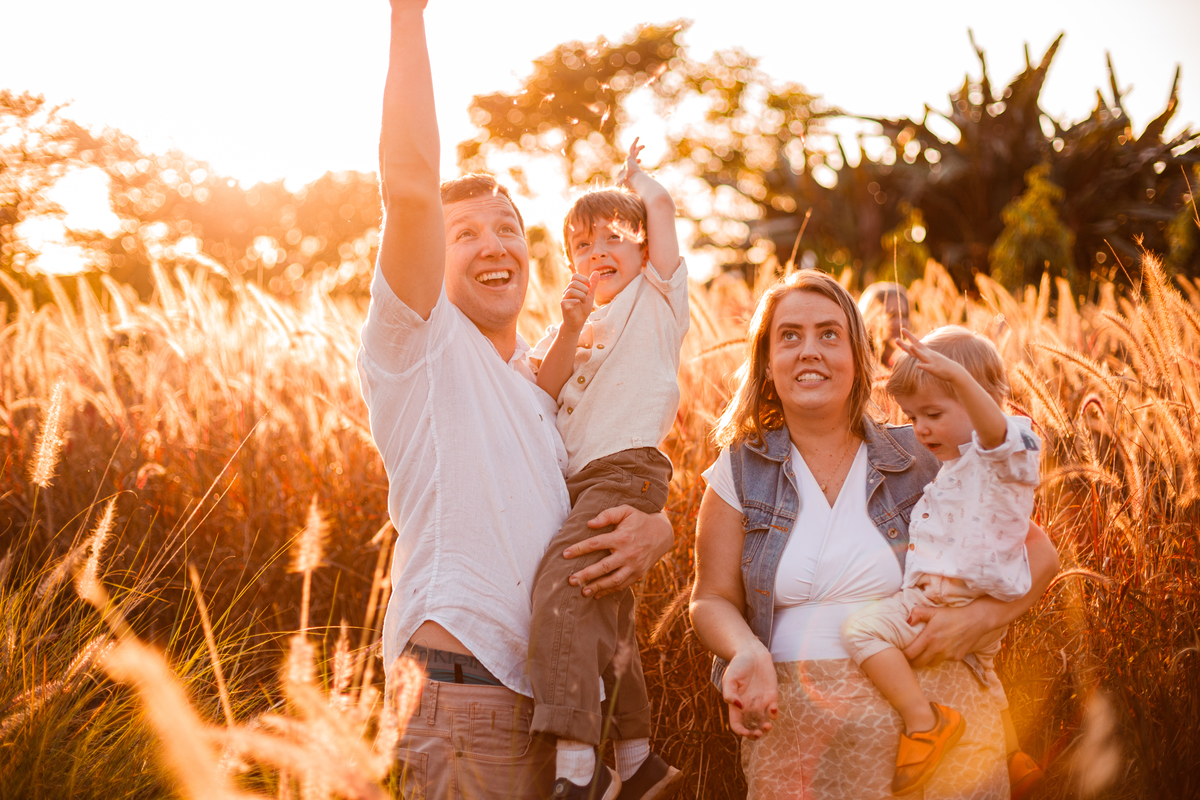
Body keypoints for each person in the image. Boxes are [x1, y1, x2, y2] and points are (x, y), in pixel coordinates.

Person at [357, 3, 674, 798]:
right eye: (465, 234)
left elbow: (604, 479)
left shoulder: (544, 385)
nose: (495, 244)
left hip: (560, 716)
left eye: (509, 228)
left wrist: (657, 527)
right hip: (462, 697)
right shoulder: (421, 344)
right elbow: (408, 187)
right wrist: (407, 19)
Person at [688, 269, 1060, 800]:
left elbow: (1039, 553)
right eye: (789, 335)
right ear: (767, 364)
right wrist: (746, 650)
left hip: (937, 712)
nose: (809, 350)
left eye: (829, 334)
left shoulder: (923, 453)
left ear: (858, 358)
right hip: (796, 722)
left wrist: (981, 619)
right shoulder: (739, 471)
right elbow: (710, 598)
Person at [525, 140, 687, 800]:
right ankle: (639, 756)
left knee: (558, 593)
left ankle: (575, 760)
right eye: (584, 245)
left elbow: (665, 208)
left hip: (626, 469)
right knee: (604, 618)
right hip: (579, 483)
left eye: (616, 238)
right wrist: (567, 327)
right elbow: (541, 386)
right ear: (570, 263)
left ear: (646, 251)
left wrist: (636, 181)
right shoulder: (569, 321)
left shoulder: (657, 300)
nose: (600, 253)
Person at [840, 326, 1043, 795]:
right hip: (985, 598)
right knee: (985, 672)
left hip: (950, 598)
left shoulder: (1003, 451)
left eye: (933, 413)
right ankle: (1012, 754)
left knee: (860, 630)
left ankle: (924, 722)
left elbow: (993, 427)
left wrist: (959, 378)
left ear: (984, 403)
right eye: (913, 416)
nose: (921, 428)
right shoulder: (959, 465)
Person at [859, 281, 910, 368]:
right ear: (871, 317)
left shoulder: (910, 360)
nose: (900, 323)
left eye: (904, 315)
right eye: (891, 315)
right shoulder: (860, 362)